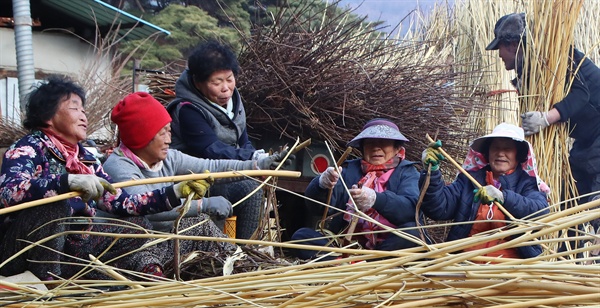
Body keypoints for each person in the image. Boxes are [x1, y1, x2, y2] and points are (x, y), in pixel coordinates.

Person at [0, 76, 209, 281]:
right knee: (56, 206)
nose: (83, 116)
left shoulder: (86, 160)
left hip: (71, 246)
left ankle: (92, 281)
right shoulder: (28, 148)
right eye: (75, 108)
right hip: (22, 249)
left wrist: (173, 192)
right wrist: (65, 183)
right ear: (48, 116)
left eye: (83, 109)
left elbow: (121, 202)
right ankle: (45, 283)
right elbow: (8, 192)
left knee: (136, 227)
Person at [103, 92, 289, 240]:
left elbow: (213, 167)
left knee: (213, 217)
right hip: (139, 243)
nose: (169, 140)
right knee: (202, 222)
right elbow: (146, 210)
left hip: (168, 236)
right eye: (163, 134)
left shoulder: (168, 158)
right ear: (141, 136)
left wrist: (257, 166)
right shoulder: (119, 166)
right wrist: (202, 205)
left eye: (169, 132)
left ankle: (240, 259)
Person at [486, 13, 600, 231]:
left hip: (597, 138)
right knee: (570, 200)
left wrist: (546, 118)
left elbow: (581, 95)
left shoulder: (560, 58)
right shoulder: (531, 73)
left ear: (512, 44)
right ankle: (563, 256)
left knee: (596, 203)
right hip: (585, 142)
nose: (499, 55)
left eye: (499, 47)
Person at [167, 40, 290, 239]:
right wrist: (252, 159)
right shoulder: (188, 109)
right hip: (197, 179)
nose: (226, 88)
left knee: (253, 187)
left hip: (227, 172)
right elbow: (210, 149)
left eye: (229, 79)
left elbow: (243, 141)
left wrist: (259, 161)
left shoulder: (234, 103)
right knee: (235, 187)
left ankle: (246, 249)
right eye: (217, 83)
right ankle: (217, 249)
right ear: (198, 83)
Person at [291, 118, 427, 260]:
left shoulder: (408, 172)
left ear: (397, 148)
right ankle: (343, 264)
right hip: (346, 248)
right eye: (370, 143)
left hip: (387, 249)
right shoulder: (349, 170)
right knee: (301, 237)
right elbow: (317, 209)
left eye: (383, 142)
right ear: (362, 148)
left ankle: (369, 264)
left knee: (414, 234)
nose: (376, 148)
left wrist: (376, 199)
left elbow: (411, 211)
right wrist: (321, 185)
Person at [420, 123, 550, 259]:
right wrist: (432, 172)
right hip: (464, 263)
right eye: (495, 148)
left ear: (519, 154)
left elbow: (541, 211)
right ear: (488, 152)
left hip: (511, 267)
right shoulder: (470, 180)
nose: (500, 153)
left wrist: (504, 197)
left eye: (507, 148)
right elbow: (438, 208)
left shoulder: (527, 184)